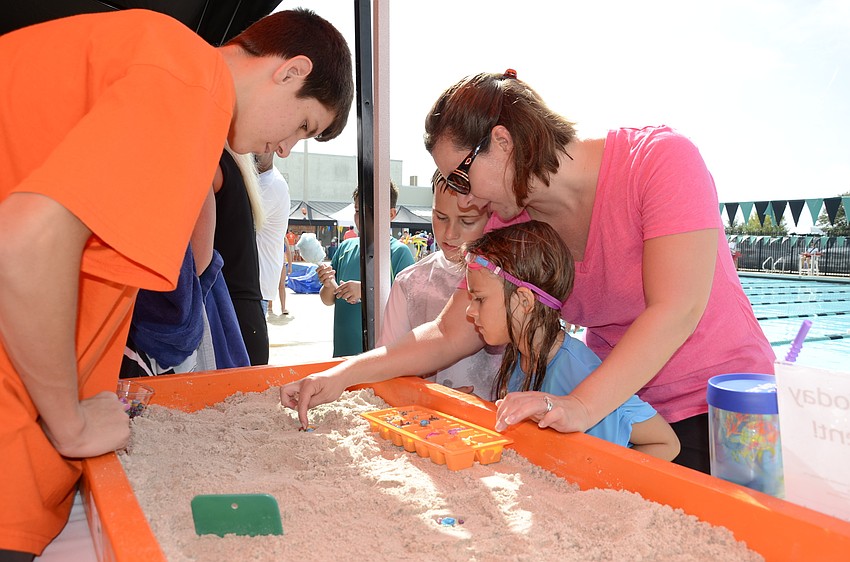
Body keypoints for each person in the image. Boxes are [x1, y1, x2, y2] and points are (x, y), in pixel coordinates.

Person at [281, 69, 774, 475]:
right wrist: (345, 373)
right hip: (616, 412)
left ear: (502, 141)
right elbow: (449, 331)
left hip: (722, 410)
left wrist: (579, 406)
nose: (466, 199)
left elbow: (676, 308)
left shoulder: (660, 162)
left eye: (460, 176)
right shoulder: (508, 219)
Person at [0, 7, 353, 559]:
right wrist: (69, 422)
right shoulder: (191, 78)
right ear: (290, 71)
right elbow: (24, 244)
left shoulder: (161, 68)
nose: (285, 148)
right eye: (303, 125)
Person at [462, 221, 680, 459]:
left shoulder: (576, 371)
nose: (469, 311)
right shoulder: (519, 354)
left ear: (524, 301)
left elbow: (663, 444)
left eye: (480, 299)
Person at [378, 171, 501, 399]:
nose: (450, 233)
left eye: (467, 221)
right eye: (440, 217)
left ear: (493, 216)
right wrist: (429, 397)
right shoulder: (410, 282)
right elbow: (385, 367)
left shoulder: (509, 278)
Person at [316, 182, 415, 357]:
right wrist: (328, 283)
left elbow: (409, 306)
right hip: (342, 353)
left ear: (391, 214)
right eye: (356, 210)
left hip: (379, 357)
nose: (361, 217)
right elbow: (328, 300)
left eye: (369, 210)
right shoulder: (345, 248)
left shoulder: (399, 253)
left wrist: (365, 291)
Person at [254, 152, 292, 319]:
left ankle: (283, 307)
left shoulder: (269, 184)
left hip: (255, 287)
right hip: (256, 285)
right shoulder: (264, 180)